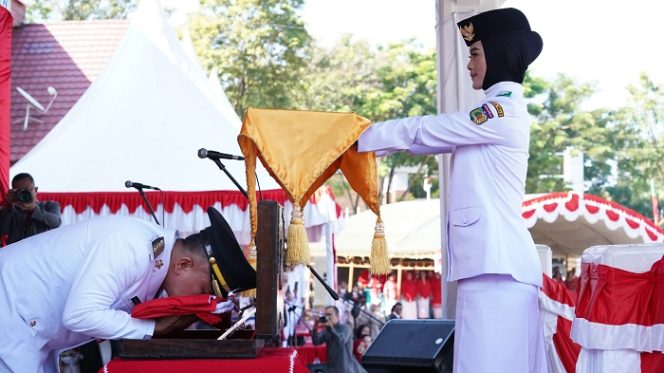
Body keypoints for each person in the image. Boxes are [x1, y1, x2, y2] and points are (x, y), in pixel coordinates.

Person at [358, 8, 547, 372]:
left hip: (498, 271)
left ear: (501, 54)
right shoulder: (496, 111)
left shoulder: (499, 113)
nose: (469, 65)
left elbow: (426, 131)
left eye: (475, 54)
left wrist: (355, 140)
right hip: (494, 270)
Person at [0, 207, 256, 372]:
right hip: (11, 313)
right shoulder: (132, 247)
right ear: (184, 264)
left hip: (34, 332)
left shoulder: (155, 258)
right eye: (203, 290)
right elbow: (80, 314)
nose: (199, 301)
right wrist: (153, 328)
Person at [0, 173, 61, 246]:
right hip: (16, 255)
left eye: (27, 190)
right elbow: (1, 230)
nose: (24, 194)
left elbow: (56, 223)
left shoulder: (49, 206)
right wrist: (8, 207)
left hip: (40, 254)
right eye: (20, 191)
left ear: (35, 190)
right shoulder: (11, 210)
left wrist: (34, 209)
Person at [312, 305, 367, 373]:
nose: (327, 317)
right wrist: (315, 327)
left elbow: (340, 341)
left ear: (337, 317)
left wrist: (331, 328)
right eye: (326, 315)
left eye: (329, 315)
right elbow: (316, 342)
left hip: (346, 368)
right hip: (333, 368)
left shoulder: (346, 328)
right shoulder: (327, 330)